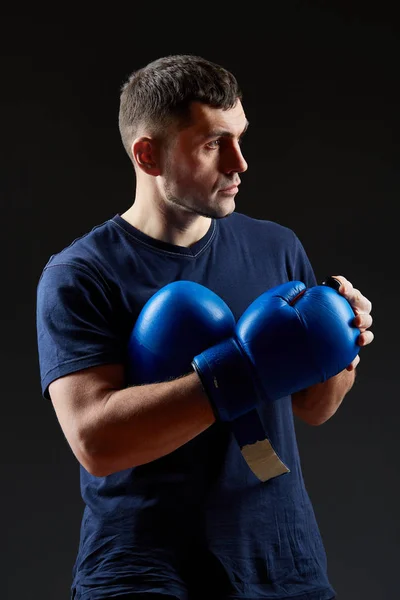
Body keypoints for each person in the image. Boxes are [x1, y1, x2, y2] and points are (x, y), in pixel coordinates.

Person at [35, 54, 374, 600]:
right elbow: (96, 441)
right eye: (214, 144)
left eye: (240, 138)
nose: (240, 163)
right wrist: (244, 367)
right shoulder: (81, 274)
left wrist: (341, 342)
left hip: (281, 557)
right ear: (148, 155)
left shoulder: (276, 247)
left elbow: (314, 407)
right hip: (142, 567)